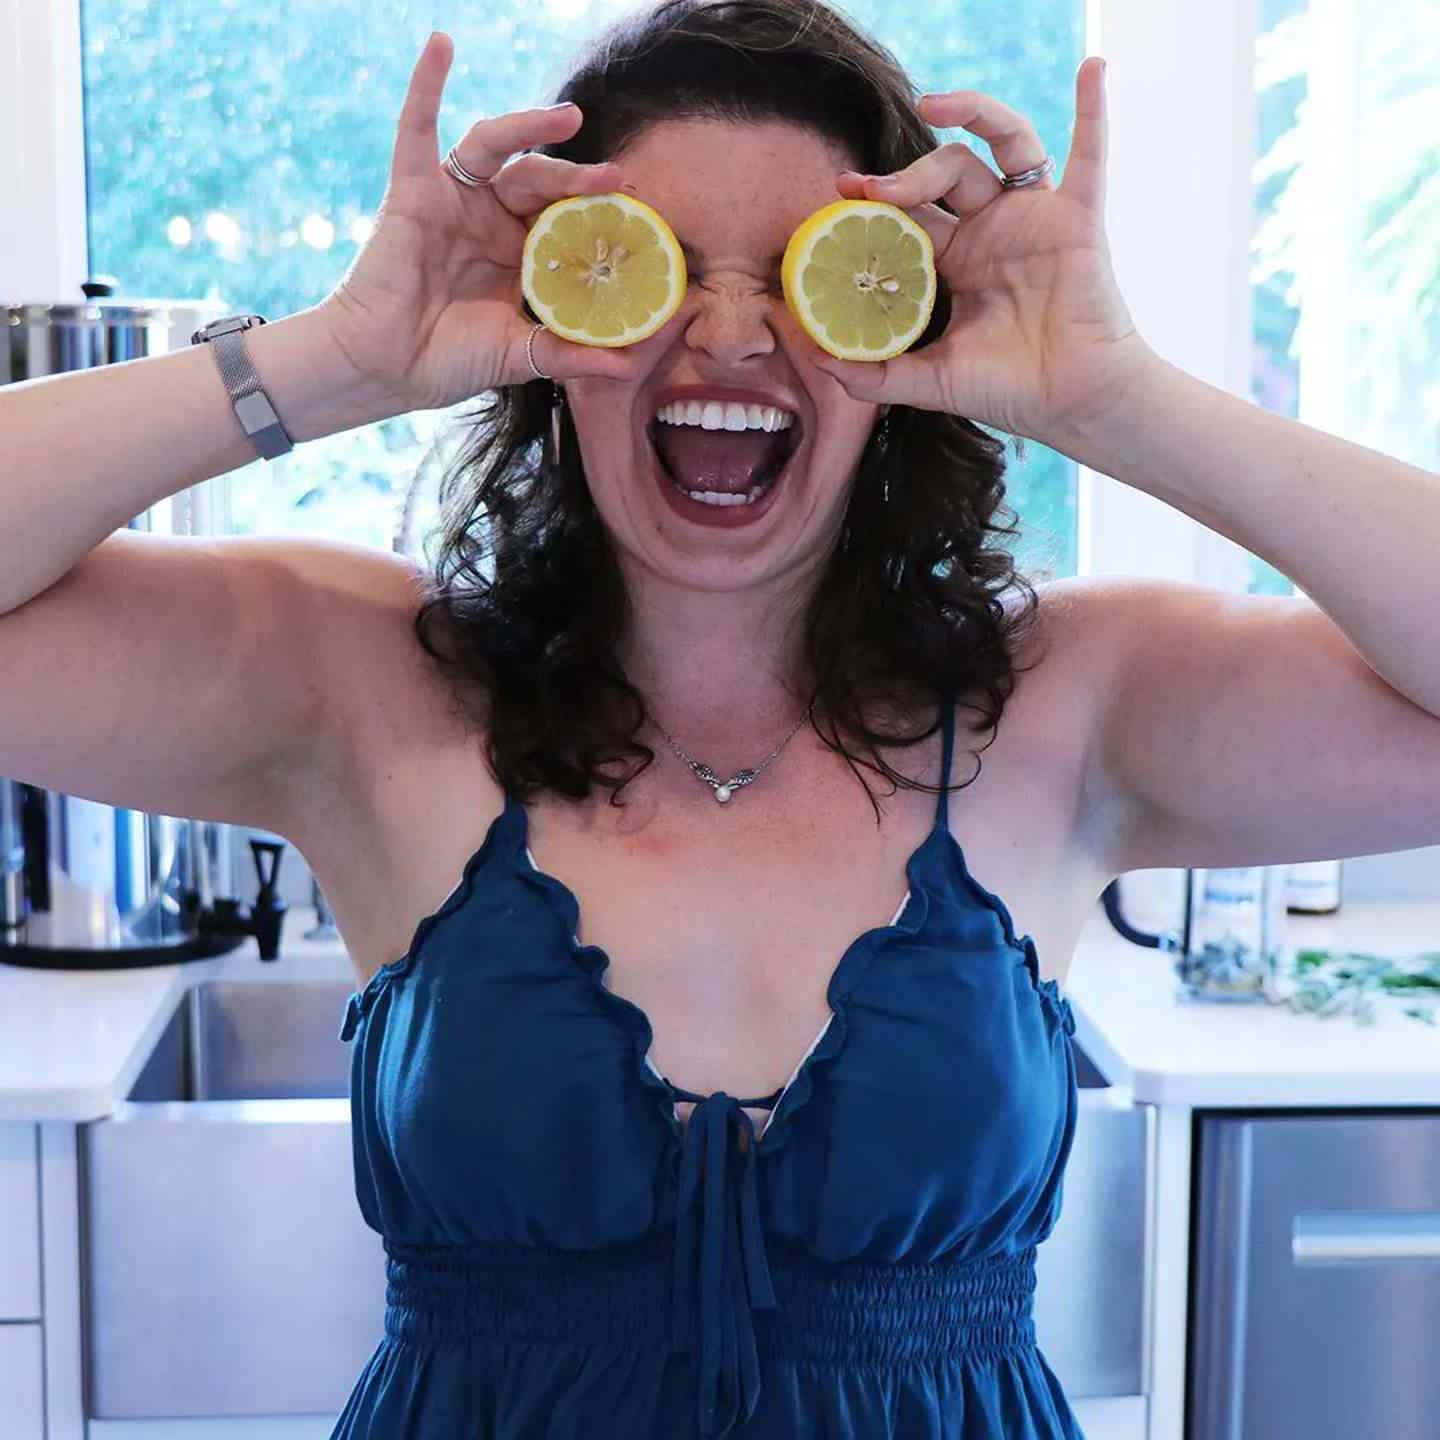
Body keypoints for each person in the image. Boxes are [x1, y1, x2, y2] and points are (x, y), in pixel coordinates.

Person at [5, 1, 1439, 1436]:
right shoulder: (362, 686)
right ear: (558, 311)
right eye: (655, 271)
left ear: (902, 323)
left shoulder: (1073, 705)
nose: (735, 335)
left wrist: (1120, 402)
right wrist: (334, 360)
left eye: (812, 278)